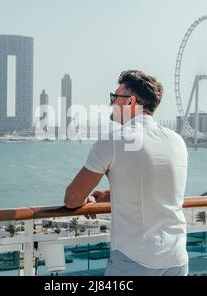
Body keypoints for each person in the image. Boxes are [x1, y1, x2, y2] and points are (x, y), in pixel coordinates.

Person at [64, 70, 188, 276]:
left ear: (130, 102)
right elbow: (155, 186)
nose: (111, 104)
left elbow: (72, 199)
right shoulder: (176, 141)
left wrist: (86, 199)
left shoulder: (113, 141)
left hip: (134, 260)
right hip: (176, 258)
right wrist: (108, 196)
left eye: (115, 97)